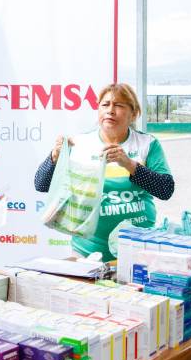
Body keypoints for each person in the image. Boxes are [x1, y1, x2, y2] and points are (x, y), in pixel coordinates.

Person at [34, 83, 174, 261]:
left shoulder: (147, 144)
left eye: (119, 105)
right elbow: (41, 184)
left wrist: (129, 164)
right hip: (87, 250)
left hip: (138, 248)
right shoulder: (79, 143)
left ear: (133, 113)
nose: (111, 110)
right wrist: (54, 157)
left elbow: (166, 189)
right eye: (105, 105)